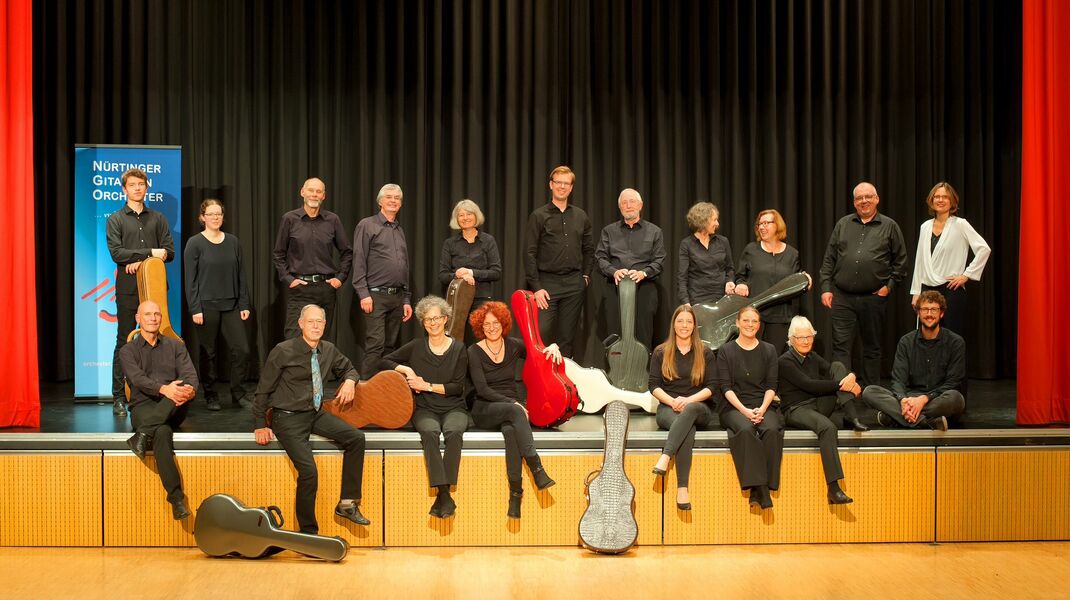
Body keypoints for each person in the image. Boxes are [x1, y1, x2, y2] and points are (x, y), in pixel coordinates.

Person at [253, 304, 370, 533]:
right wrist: (259, 424)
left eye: (320, 322)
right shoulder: (283, 350)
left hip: (314, 414)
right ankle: (308, 532)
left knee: (356, 438)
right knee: (309, 473)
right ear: (300, 324)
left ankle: (347, 503)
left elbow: (350, 369)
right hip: (287, 418)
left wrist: (349, 381)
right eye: (311, 321)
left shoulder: (328, 350)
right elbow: (263, 389)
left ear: (325, 325)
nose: (316, 326)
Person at [467, 301, 559, 518]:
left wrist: (553, 346)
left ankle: (515, 494)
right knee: (516, 412)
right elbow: (481, 389)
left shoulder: (515, 345)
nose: (491, 327)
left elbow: (540, 353)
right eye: (486, 324)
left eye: (495, 322)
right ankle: (537, 469)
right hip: (484, 408)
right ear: (481, 326)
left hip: (510, 409)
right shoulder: (474, 351)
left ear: (503, 323)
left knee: (511, 431)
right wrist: (514, 404)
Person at [381, 296, 469, 519]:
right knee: (429, 432)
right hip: (425, 408)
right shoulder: (416, 346)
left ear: (446, 319)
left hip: (454, 407)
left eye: (437, 318)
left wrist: (426, 385)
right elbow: (384, 361)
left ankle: (443, 494)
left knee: (454, 432)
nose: (433, 323)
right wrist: (407, 371)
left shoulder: (459, 348)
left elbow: (457, 387)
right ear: (423, 323)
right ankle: (444, 494)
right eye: (428, 319)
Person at [819, 181, 908, 387]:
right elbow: (829, 259)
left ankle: (871, 393)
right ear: (854, 202)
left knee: (872, 347)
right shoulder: (843, 224)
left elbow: (901, 262)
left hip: (874, 297)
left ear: (877, 199)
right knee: (841, 347)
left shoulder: (889, 226)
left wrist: (889, 286)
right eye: (859, 198)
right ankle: (843, 392)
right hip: (842, 296)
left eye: (868, 196)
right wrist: (825, 288)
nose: (864, 201)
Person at [119, 300, 197, 520]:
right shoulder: (128, 350)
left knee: (180, 385)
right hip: (143, 406)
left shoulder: (175, 346)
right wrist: (165, 389)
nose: (153, 318)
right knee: (161, 432)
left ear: (161, 318)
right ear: (138, 319)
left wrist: (187, 391)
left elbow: (191, 378)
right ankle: (177, 500)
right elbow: (138, 380)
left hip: (175, 407)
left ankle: (142, 435)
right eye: (148, 314)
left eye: (157, 314)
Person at [106, 167, 175, 417]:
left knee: (160, 338)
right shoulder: (115, 219)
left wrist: (144, 260)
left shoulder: (158, 218)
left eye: (141, 184)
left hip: (155, 288)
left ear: (147, 187)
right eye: (132, 185)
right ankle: (118, 395)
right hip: (128, 290)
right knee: (125, 338)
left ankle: (156, 390)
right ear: (124, 189)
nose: (137, 188)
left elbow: (169, 251)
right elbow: (117, 254)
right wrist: (148, 254)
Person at [778, 316, 866, 506]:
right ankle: (834, 488)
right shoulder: (785, 361)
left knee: (838, 366)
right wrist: (845, 386)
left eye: (809, 337)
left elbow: (832, 372)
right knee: (827, 427)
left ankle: (852, 417)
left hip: (816, 403)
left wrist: (851, 377)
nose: (806, 341)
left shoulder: (811, 355)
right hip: (796, 409)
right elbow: (809, 385)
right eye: (801, 338)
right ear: (791, 339)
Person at [862, 290, 966, 430]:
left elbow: (953, 382)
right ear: (918, 313)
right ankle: (926, 422)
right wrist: (903, 400)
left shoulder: (955, 342)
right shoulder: (906, 341)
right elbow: (898, 380)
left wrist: (923, 400)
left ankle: (896, 417)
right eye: (925, 309)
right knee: (870, 392)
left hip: (938, 399)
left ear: (941, 313)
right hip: (909, 398)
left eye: (934, 309)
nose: (929, 314)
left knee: (956, 399)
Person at [183, 199, 252, 411]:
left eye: (219, 214)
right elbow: (190, 279)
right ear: (202, 217)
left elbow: (241, 275)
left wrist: (244, 304)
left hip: (231, 305)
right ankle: (211, 395)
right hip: (205, 306)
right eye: (211, 214)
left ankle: (238, 393)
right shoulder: (195, 243)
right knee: (208, 352)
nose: (215, 217)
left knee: (242, 350)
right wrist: (195, 308)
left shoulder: (232, 241)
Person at [649, 305, 718, 511]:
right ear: (674, 324)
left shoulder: (705, 352)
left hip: (699, 407)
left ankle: (665, 456)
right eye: (680, 321)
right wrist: (672, 402)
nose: (684, 325)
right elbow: (653, 385)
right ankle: (682, 489)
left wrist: (688, 401)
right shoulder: (661, 351)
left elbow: (712, 387)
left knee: (689, 412)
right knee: (688, 428)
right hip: (668, 408)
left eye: (689, 321)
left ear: (694, 325)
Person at [522, 165, 595, 358]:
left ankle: (563, 384)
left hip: (574, 284)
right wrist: (536, 287)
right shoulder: (538, 216)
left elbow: (589, 249)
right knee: (542, 334)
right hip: (546, 285)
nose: (562, 187)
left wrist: (585, 276)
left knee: (567, 338)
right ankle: (541, 382)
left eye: (566, 183)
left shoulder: (581, 216)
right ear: (551, 185)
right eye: (558, 183)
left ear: (571, 188)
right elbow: (529, 253)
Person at [716, 306, 782, 510]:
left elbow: (772, 386)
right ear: (737, 323)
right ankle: (762, 488)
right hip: (733, 406)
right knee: (745, 430)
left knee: (771, 429)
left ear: (759, 325)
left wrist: (762, 409)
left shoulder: (769, 350)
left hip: (763, 404)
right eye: (745, 320)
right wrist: (745, 411)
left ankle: (759, 488)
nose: (750, 325)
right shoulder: (726, 351)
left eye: (754, 321)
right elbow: (725, 387)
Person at [271, 177, 353, 341]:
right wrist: (289, 279)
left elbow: (347, 252)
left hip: (326, 288)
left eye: (318, 191)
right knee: (294, 339)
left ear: (324, 196)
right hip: (301, 288)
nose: (314, 195)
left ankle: (318, 368)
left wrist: (340, 278)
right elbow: (278, 254)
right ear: (303, 192)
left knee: (322, 340)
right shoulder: (290, 219)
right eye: (311, 190)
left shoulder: (332, 220)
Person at [909, 182, 991, 336]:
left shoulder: (960, 225)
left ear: (952, 201)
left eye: (945, 197)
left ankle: (951, 361)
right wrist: (916, 292)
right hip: (927, 288)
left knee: (950, 335)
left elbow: (983, 249)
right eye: (937, 196)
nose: (940, 200)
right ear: (931, 200)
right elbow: (919, 261)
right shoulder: (925, 226)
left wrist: (966, 275)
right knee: (926, 335)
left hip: (951, 289)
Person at [353, 183, 413, 378]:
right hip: (375, 295)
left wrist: (406, 299)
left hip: (397, 297)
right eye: (389, 197)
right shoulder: (367, 225)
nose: (393, 200)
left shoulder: (399, 229)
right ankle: (366, 391)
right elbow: (359, 259)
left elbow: (404, 266)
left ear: (401, 203)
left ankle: (384, 391)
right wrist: (363, 294)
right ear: (380, 201)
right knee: (376, 345)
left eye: (397, 198)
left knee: (390, 347)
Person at [594, 188, 666, 350]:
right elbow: (600, 258)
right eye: (624, 203)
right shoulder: (609, 231)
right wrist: (614, 271)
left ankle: (643, 374)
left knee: (643, 334)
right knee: (614, 334)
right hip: (615, 289)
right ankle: (614, 374)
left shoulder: (655, 232)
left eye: (632, 201)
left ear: (640, 205)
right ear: (620, 208)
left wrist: (643, 273)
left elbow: (659, 261)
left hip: (644, 289)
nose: (628, 205)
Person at [734, 209, 811, 354]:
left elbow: (795, 284)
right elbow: (740, 276)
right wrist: (741, 284)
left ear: (778, 225)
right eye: (759, 224)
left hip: (780, 317)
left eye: (766, 223)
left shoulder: (792, 254)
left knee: (774, 359)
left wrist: (805, 281)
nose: (762, 227)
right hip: (755, 316)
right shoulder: (751, 250)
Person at [437, 199, 502, 338]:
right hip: (456, 301)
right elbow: (443, 275)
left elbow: (496, 272)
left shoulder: (488, 241)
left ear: (476, 216)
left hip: (481, 298)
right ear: (457, 219)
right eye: (461, 215)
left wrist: (471, 272)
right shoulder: (450, 244)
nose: (465, 218)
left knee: (478, 340)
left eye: (469, 214)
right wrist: (459, 275)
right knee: (455, 339)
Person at [677, 202, 735, 306]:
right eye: (714, 220)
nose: (717, 224)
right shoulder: (687, 244)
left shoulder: (723, 241)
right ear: (703, 220)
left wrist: (729, 281)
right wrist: (686, 302)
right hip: (698, 300)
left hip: (722, 299)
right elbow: (682, 277)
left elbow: (730, 268)